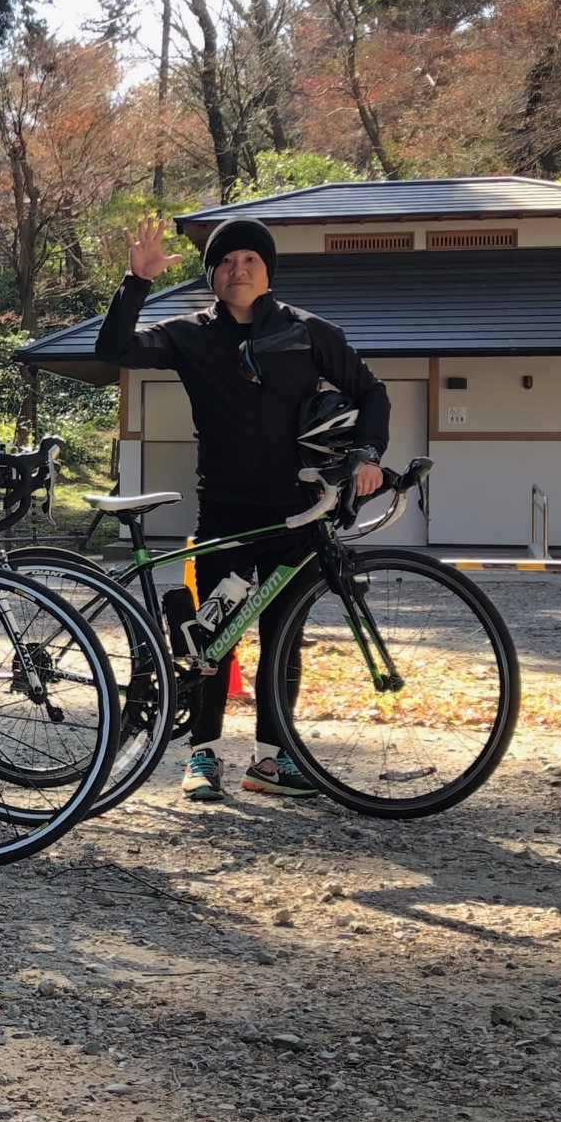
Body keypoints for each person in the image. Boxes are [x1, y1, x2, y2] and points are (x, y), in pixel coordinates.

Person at [95, 211, 389, 800]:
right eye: (225, 262)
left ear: (268, 271)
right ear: (211, 276)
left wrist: (368, 455)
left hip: (298, 510)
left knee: (284, 635)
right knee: (214, 639)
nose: (238, 269)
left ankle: (271, 760)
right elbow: (114, 347)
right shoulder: (190, 335)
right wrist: (138, 282)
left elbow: (370, 391)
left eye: (250, 260)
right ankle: (202, 757)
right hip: (224, 512)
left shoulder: (308, 332)